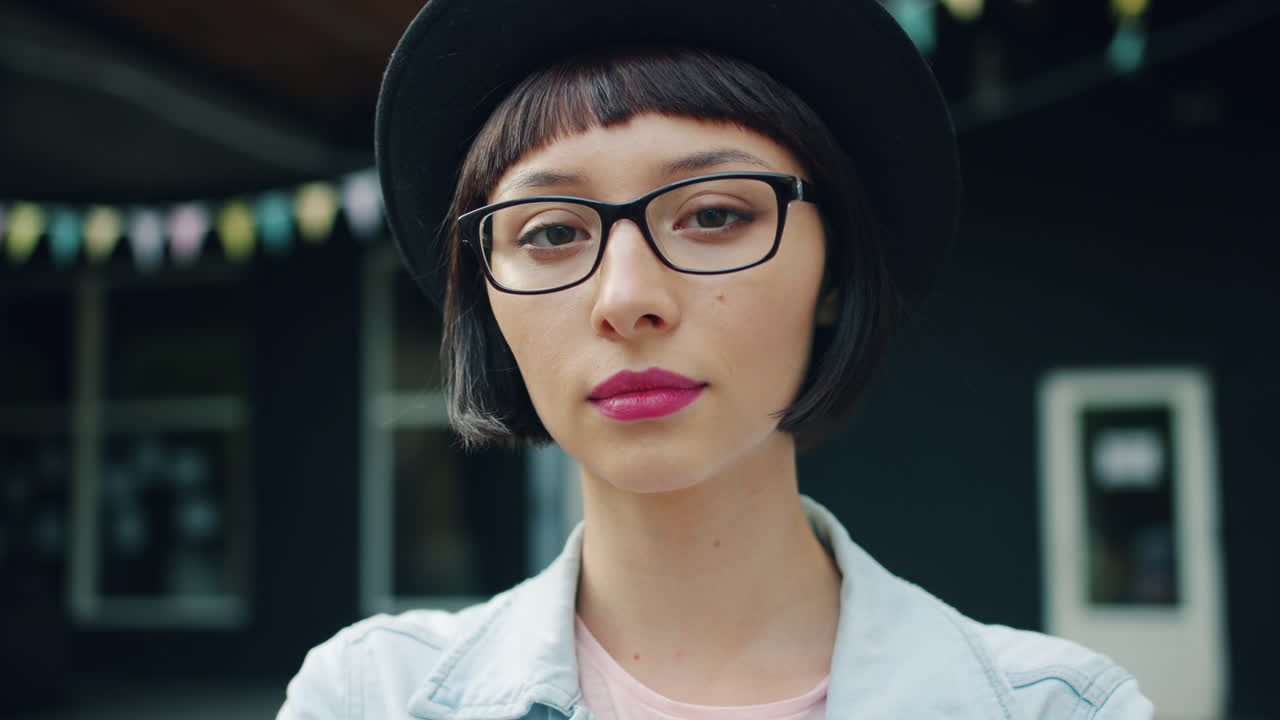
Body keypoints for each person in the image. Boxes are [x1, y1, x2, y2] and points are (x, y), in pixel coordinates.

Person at [279, 0, 1154, 718]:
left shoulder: (1059, 709)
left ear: (835, 270)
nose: (626, 298)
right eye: (549, 232)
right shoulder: (369, 698)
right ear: (487, 295)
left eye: (713, 215)